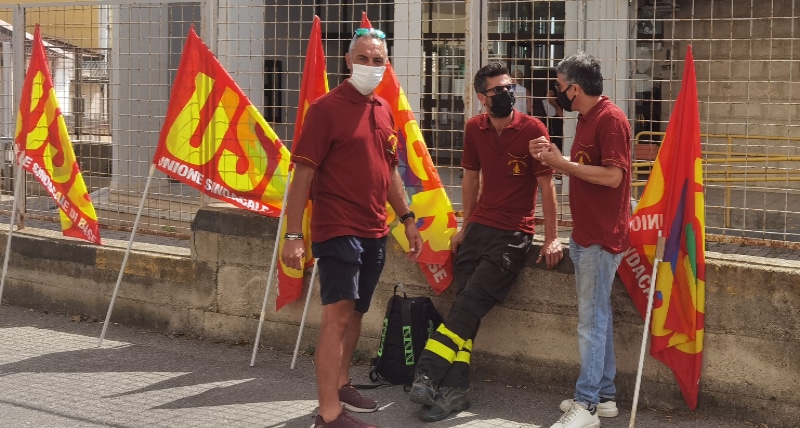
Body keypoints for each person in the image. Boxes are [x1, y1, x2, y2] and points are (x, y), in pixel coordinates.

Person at [281, 24, 423, 428]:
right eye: (363, 58)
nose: (370, 66)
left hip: (375, 229)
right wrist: (294, 236)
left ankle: (342, 384)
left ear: (386, 64)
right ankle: (328, 414)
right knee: (337, 318)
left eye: (378, 60)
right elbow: (303, 176)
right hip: (337, 229)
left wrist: (408, 219)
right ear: (348, 61)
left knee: (358, 313)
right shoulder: (325, 110)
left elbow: (390, 171)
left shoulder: (383, 109)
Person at [409, 62, 563, 422]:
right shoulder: (474, 129)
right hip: (478, 229)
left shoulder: (533, 129)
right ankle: (456, 392)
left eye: (510, 87)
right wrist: (464, 227)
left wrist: (552, 239)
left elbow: (547, 189)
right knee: (467, 308)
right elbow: (470, 180)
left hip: (513, 234)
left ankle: (427, 371)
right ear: (483, 98)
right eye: (498, 90)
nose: (508, 93)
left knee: (468, 305)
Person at [530, 51, 631, 428]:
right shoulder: (588, 118)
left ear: (574, 88)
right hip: (587, 233)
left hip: (601, 237)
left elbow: (613, 177)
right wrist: (557, 159)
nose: (556, 93)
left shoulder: (610, 119)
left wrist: (561, 165)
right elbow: (588, 170)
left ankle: (586, 404)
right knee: (597, 317)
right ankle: (603, 396)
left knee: (590, 321)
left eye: (558, 86)